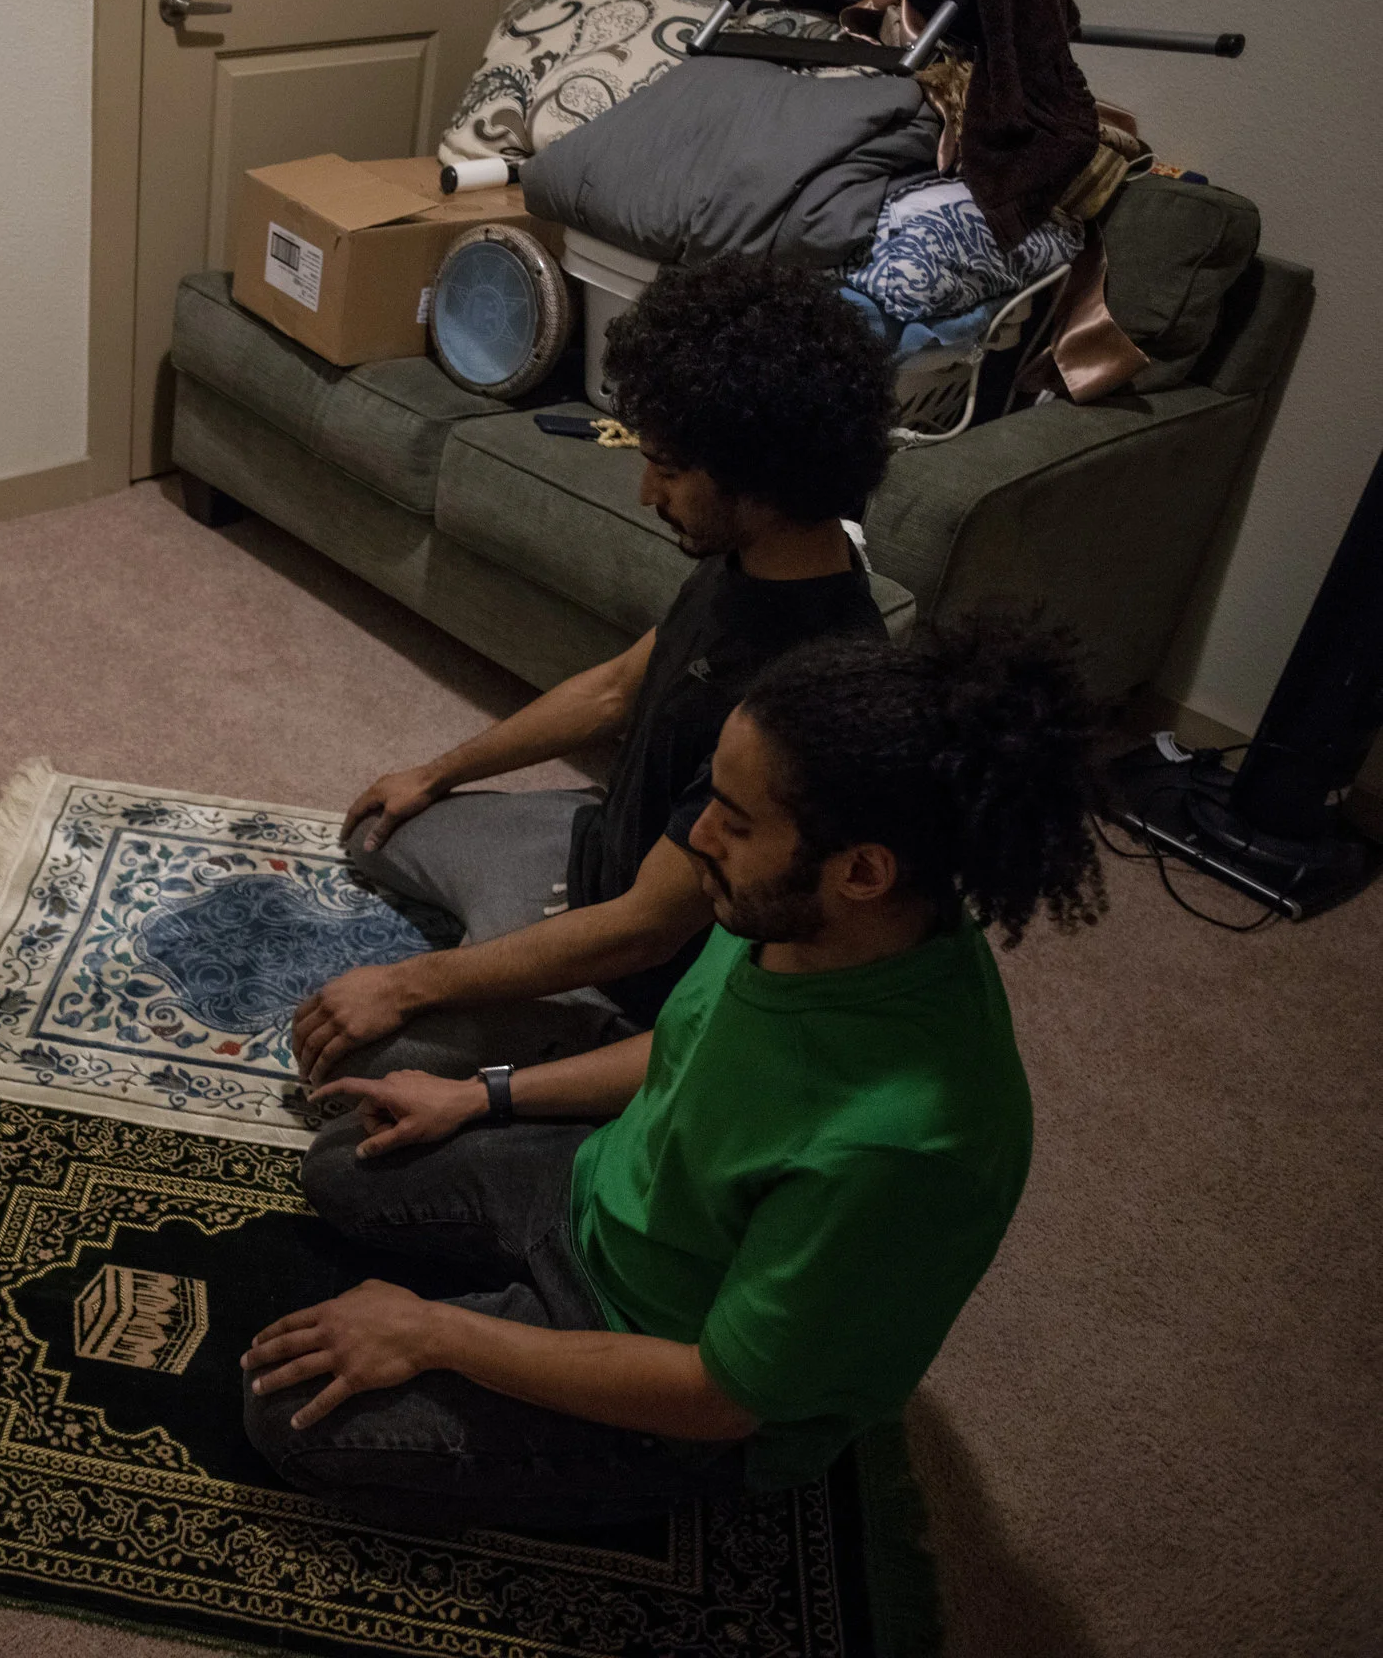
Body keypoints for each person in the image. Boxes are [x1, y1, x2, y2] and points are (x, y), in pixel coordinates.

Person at [241, 616, 1106, 1532]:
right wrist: (477, 1095)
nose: (695, 839)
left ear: (861, 871)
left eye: (734, 821)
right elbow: (691, 1047)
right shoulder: (804, 925)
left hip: (670, 1380)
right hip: (605, 1193)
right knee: (343, 1161)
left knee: (281, 1415)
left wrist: (437, 1334)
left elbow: (717, 1399)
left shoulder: (909, 1145)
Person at [291, 255, 900, 1087]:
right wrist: (435, 773)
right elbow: (618, 688)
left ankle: (576, 1052)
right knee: (373, 829)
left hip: (624, 960)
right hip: (592, 842)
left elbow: (645, 930)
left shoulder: (813, 690)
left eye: (670, 469)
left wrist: (403, 985)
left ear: (759, 480)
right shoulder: (751, 557)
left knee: (357, 1066)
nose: (647, 490)